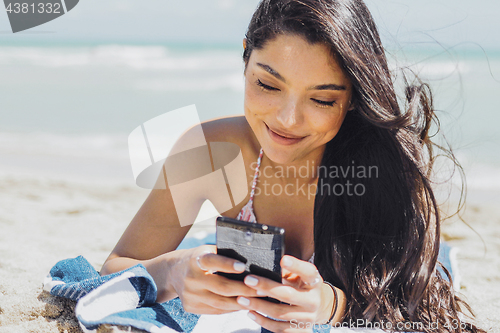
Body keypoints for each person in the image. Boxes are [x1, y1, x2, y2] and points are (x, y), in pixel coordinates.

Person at [101, 0, 484, 332]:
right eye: (268, 85)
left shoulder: (385, 173)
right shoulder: (209, 152)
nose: (287, 120)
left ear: (352, 98)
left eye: (322, 100)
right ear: (245, 57)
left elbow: (416, 308)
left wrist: (328, 306)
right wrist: (173, 272)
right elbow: (114, 269)